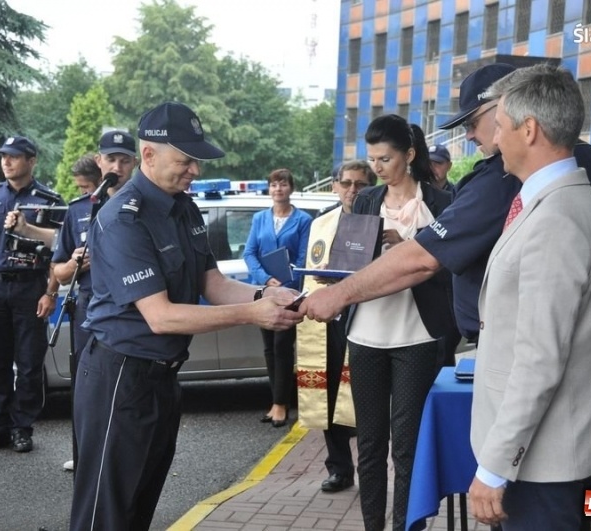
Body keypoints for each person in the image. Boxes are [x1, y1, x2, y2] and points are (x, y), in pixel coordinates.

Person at [69, 101, 304, 531]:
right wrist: (252, 313)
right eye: (185, 160)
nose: (194, 170)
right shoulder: (122, 219)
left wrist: (269, 293)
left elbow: (210, 282)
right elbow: (160, 317)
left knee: (139, 506)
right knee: (105, 514)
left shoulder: (184, 208)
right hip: (120, 378)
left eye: (195, 160)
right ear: (149, 155)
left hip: (162, 378)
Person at [303, 63, 591, 348]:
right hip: (580, 344)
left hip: (523, 346)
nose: (468, 136)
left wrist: (340, 294)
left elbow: (423, 258)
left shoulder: (502, 177)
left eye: (473, 121)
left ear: (509, 112)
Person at [466, 64, 591, 530]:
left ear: (529, 129)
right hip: (541, 455)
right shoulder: (552, 201)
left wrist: (495, 466)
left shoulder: (557, 215)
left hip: (541, 462)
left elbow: (540, 358)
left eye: (498, 125)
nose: (493, 139)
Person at [336, 115, 455, 531]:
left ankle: (408, 525)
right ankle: (373, 526)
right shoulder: (366, 200)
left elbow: (454, 268)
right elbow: (346, 262)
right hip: (365, 333)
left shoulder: (441, 203)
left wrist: (408, 248)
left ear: (409, 154)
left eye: (385, 158)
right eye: (372, 159)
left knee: (407, 445)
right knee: (369, 442)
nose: (378, 167)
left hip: (417, 336)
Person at [0, 135, 64, 454]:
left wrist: (50, 292)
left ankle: (23, 428)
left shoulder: (48, 200)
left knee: (29, 362)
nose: (6, 162)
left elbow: (59, 251)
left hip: (31, 286)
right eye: (3, 157)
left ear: (31, 161)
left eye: (14, 157)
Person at [51, 131, 138, 472]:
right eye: (111, 159)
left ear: (135, 162)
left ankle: (123, 458)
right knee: (86, 388)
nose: (117, 166)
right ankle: (86, 454)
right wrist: (74, 264)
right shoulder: (78, 210)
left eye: (124, 160)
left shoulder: (144, 203)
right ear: (100, 162)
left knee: (127, 388)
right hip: (88, 306)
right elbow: (58, 272)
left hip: (130, 307)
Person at [298, 160, 377, 493]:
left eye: (360, 184)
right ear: (334, 185)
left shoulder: (379, 221)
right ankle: (339, 468)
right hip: (327, 322)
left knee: (369, 398)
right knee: (328, 392)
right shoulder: (321, 223)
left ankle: (374, 469)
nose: (352, 190)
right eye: (346, 183)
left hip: (369, 318)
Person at [243, 168, 312, 427]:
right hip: (263, 291)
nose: (278, 189)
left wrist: (284, 282)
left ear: (290, 188)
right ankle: (275, 401)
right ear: (268, 189)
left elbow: (304, 257)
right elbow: (249, 253)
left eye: (283, 184)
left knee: (283, 347)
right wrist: (266, 279)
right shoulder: (260, 218)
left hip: (290, 292)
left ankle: (282, 404)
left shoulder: (303, 219)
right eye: (273, 185)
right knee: (269, 348)